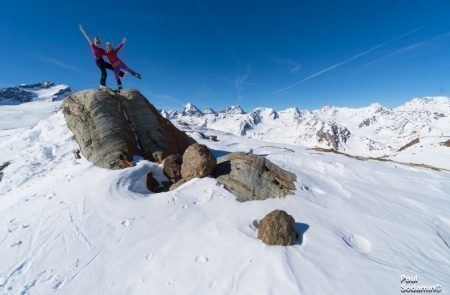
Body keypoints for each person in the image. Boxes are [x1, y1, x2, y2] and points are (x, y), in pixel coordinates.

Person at [78, 24, 124, 89]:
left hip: (102, 61)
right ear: (94, 42)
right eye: (97, 42)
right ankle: (102, 85)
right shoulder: (93, 46)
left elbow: (111, 53)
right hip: (98, 61)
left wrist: (120, 44)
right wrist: (82, 30)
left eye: (99, 42)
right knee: (104, 73)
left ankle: (122, 74)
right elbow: (87, 38)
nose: (98, 43)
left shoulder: (102, 50)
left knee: (112, 67)